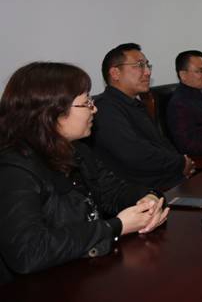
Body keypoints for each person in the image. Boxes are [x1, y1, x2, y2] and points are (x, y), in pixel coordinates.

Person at [0, 62, 169, 284]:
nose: (94, 109)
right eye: (86, 102)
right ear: (52, 113)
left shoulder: (76, 149)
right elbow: (28, 252)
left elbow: (113, 190)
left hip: (84, 274)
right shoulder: (14, 169)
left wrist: (148, 198)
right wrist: (114, 227)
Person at [92, 43, 193, 191]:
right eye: (139, 65)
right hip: (143, 194)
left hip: (170, 181)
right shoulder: (105, 109)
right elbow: (135, 155)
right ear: (115, 73)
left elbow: (161, 143)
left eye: (147, 65)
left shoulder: (135, 104)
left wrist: (182, 161)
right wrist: (180, 163)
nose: (147, 72)